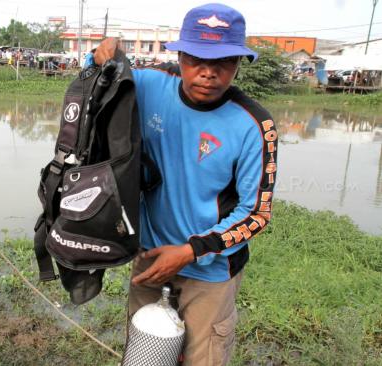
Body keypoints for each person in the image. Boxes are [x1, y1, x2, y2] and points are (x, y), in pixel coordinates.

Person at [93, 3, 277, 365]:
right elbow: (99, 72)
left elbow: (256, 213)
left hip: (209, 273)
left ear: (239, 63)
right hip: (150, 256)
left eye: (223, 62)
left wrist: (190, 251)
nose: (208, 73)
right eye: (196, 59)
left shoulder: (254, 125)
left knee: (202, 358)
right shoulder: (149, 84)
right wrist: (101, 51)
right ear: (179, 56)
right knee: (145, 356)